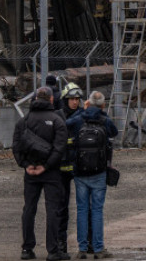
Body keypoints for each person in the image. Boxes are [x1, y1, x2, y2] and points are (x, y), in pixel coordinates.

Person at [13, 86, 69, 261]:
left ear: (36, 98)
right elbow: (60, 148)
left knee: (29, 209)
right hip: (51, 172)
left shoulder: (24, 121)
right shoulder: (57, 120)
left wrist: (26, 165)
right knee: (52, 209)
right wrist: (46, 166)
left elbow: (16, 146)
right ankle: (53, 250)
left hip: (30, 172)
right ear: (52, 99)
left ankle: (27, 249)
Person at [66, 91, 118, 260]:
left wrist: (83, 110)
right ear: (103, 105)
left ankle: (82, 249)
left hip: (80, 171)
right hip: (99, 171)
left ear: (87, 103)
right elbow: (114, 132)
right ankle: (98, 248)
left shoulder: (80, 119)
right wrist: (101, 113)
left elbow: (66, 125)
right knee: (97, 210)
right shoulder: (104, 120)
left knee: (82, 209)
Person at [56, 84, 85, 257]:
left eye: (77, 99)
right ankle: (61, 244)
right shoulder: (58, 116)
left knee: (84, 208)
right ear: (65, 100)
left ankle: (87, 244)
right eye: (72, 99)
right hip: (60, 169)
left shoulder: (83, 116)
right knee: (61, 209)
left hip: (79, 167)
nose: (75, 102)